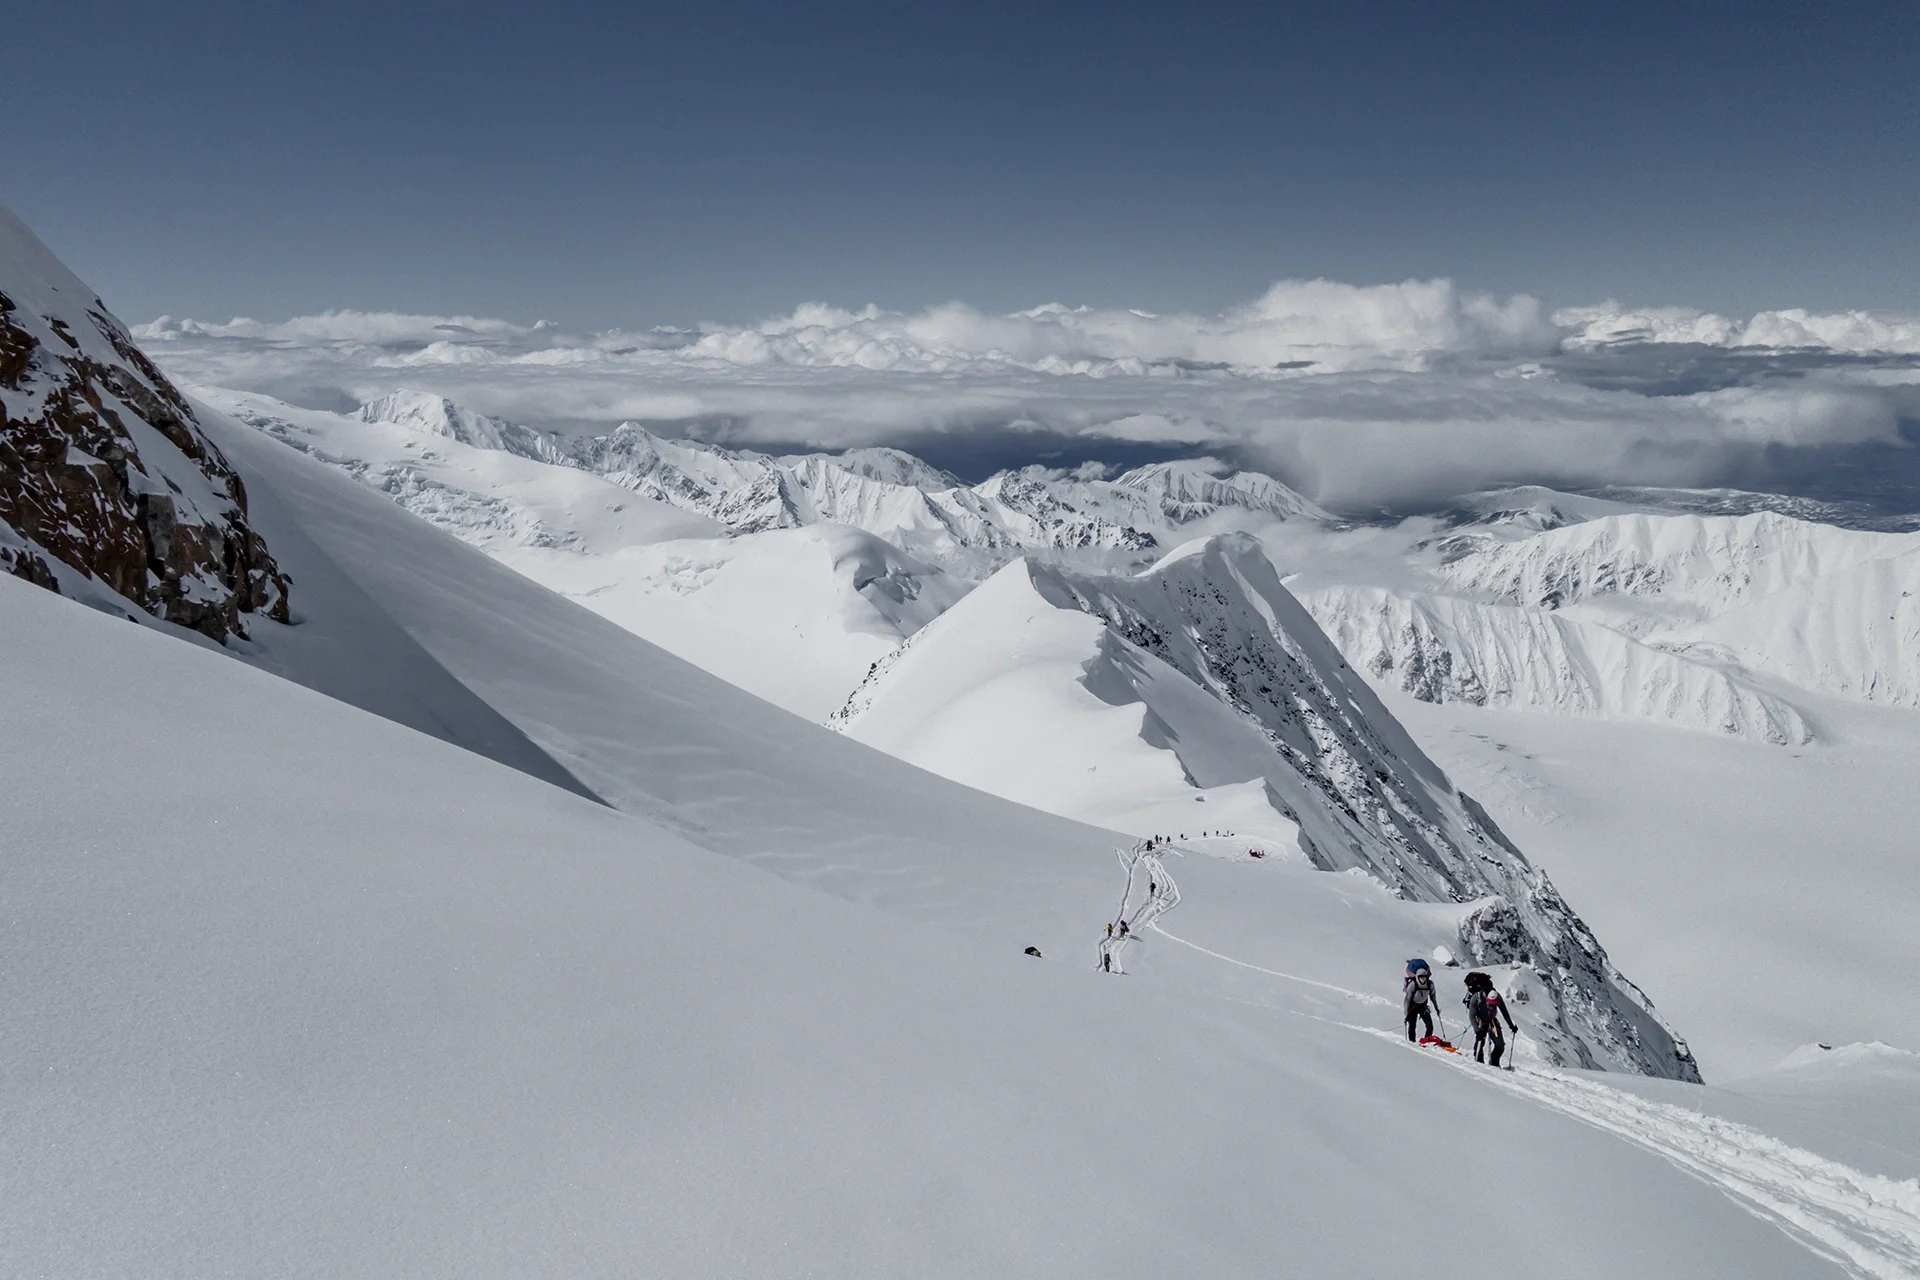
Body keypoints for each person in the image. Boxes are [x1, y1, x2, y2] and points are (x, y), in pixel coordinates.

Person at [1464, 971, 1519, 1066]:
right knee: (1480, 1042)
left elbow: (1504, 1012)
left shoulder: (1497, 997)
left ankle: (1494, 1063)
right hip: (1480, 1021)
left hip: (1492, 1020)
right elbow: (1472, 1016)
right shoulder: (1475, 998)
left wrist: (1511, 1026)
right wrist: (1477, 1030)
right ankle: (1479, 1063)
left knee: (1500, 1045)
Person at [1404, 962, 1438, 1042]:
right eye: (1421, 977)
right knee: (1412, 1025)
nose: (1423, 979)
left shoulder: (1430, 985)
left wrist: (1436, 1008)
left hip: (1423, 1006)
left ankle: (1426, 1040)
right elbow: (1407, 999)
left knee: (1430, 1025)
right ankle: (1412, 1041)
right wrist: (1406, 1012)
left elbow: (1433, 996)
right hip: (1412, 1007)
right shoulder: (1412, 985)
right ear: (1417, 977)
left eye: (1424, 977)